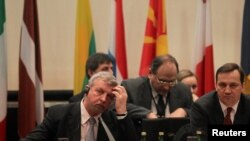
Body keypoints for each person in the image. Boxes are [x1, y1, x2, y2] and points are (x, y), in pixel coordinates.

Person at [20, 71, 138, 141]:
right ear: (87, 90)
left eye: (110, 96)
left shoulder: (112, 119)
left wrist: (122, 111)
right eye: (99, 91)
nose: (103, 99)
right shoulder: (59, 114)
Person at [122, 54, 193, 118]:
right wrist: (146, 114)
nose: (166, 87)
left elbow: (194, 113)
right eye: (162, 81)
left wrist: (184, 111)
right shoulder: (131, 88)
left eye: (171, 82)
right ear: (150, 74)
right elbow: (117, 107)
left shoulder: (183, 90)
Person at [190, 63, 250, 135]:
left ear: (242, 86)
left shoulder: (248, 105)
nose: (227, 91)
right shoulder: (201, 107)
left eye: (233, 85)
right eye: (222, 85)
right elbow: (200, 138)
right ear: (216, 85)